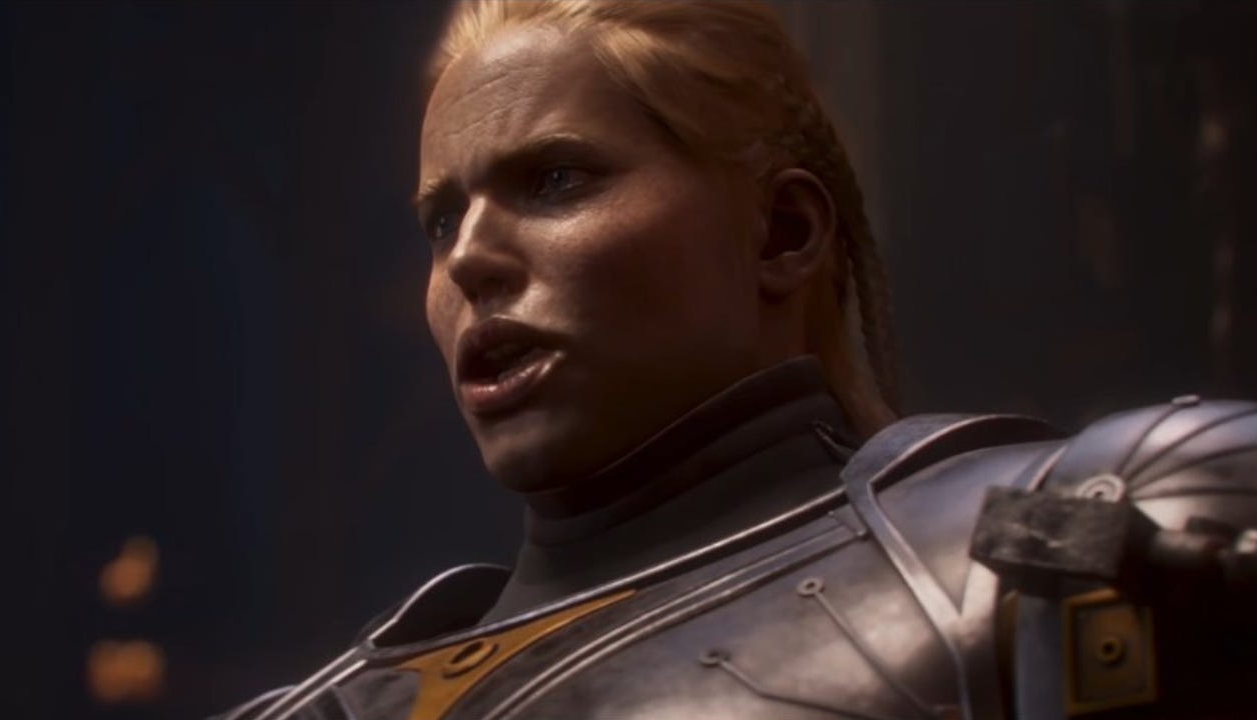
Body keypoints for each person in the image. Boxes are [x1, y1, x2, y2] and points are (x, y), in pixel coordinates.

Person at [216, 2, 1257, 719]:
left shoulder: (1073, 534)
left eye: (555, 179)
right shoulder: (315, 709)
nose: (468, 260)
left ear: (782, 233)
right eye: (442, 221)